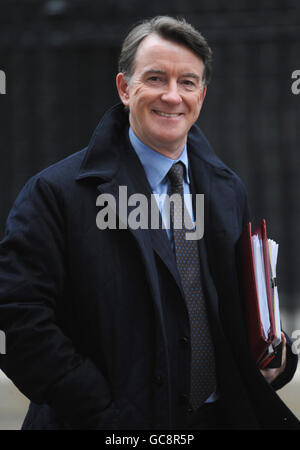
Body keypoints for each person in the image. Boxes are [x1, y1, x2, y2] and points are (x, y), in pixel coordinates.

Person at [0, 15, 299, 430]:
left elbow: (236, 310)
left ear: (203, 94)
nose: (172, 96)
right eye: (156, 78)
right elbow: (18, 322)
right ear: (125, 88)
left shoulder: (227, 190)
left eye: (188, 82)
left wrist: (270, 358)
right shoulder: (54, 194)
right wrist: (106, 413)